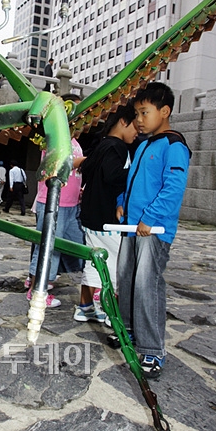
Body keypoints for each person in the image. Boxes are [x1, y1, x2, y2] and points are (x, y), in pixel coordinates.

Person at [114, 82, 192, 379]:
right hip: (133, 228)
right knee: (126, 279)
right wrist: (122, 203)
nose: (139, 120)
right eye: (136, 113)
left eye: (144, 112)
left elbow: (174, 188)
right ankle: (131, 332)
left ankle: (152, 350)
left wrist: (151, 217)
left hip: (154, 230)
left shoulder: (174, 145)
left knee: (148, 285)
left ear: (165, 111)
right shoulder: (144, 145)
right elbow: (132, 183)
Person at [73, 101, 138, 324]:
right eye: (135, 127)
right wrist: (135, 175)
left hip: (90, 215)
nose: (137, 133)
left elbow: (89, 169)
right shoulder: (117, 147)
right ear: (123, 121)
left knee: (94, 262)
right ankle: (115, 314)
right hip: (107, 219)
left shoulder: (101, 145)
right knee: (119, 264)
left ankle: (85, 306)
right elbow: (112, 176)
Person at [26, 94, 86, 308]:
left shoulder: (75, 141)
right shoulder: (52, 136)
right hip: (54, 204)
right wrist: (89, 161)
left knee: (77, 246)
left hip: (71, 205)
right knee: (48, 249)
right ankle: (37, 290)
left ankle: (41, 277)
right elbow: (64, 160)